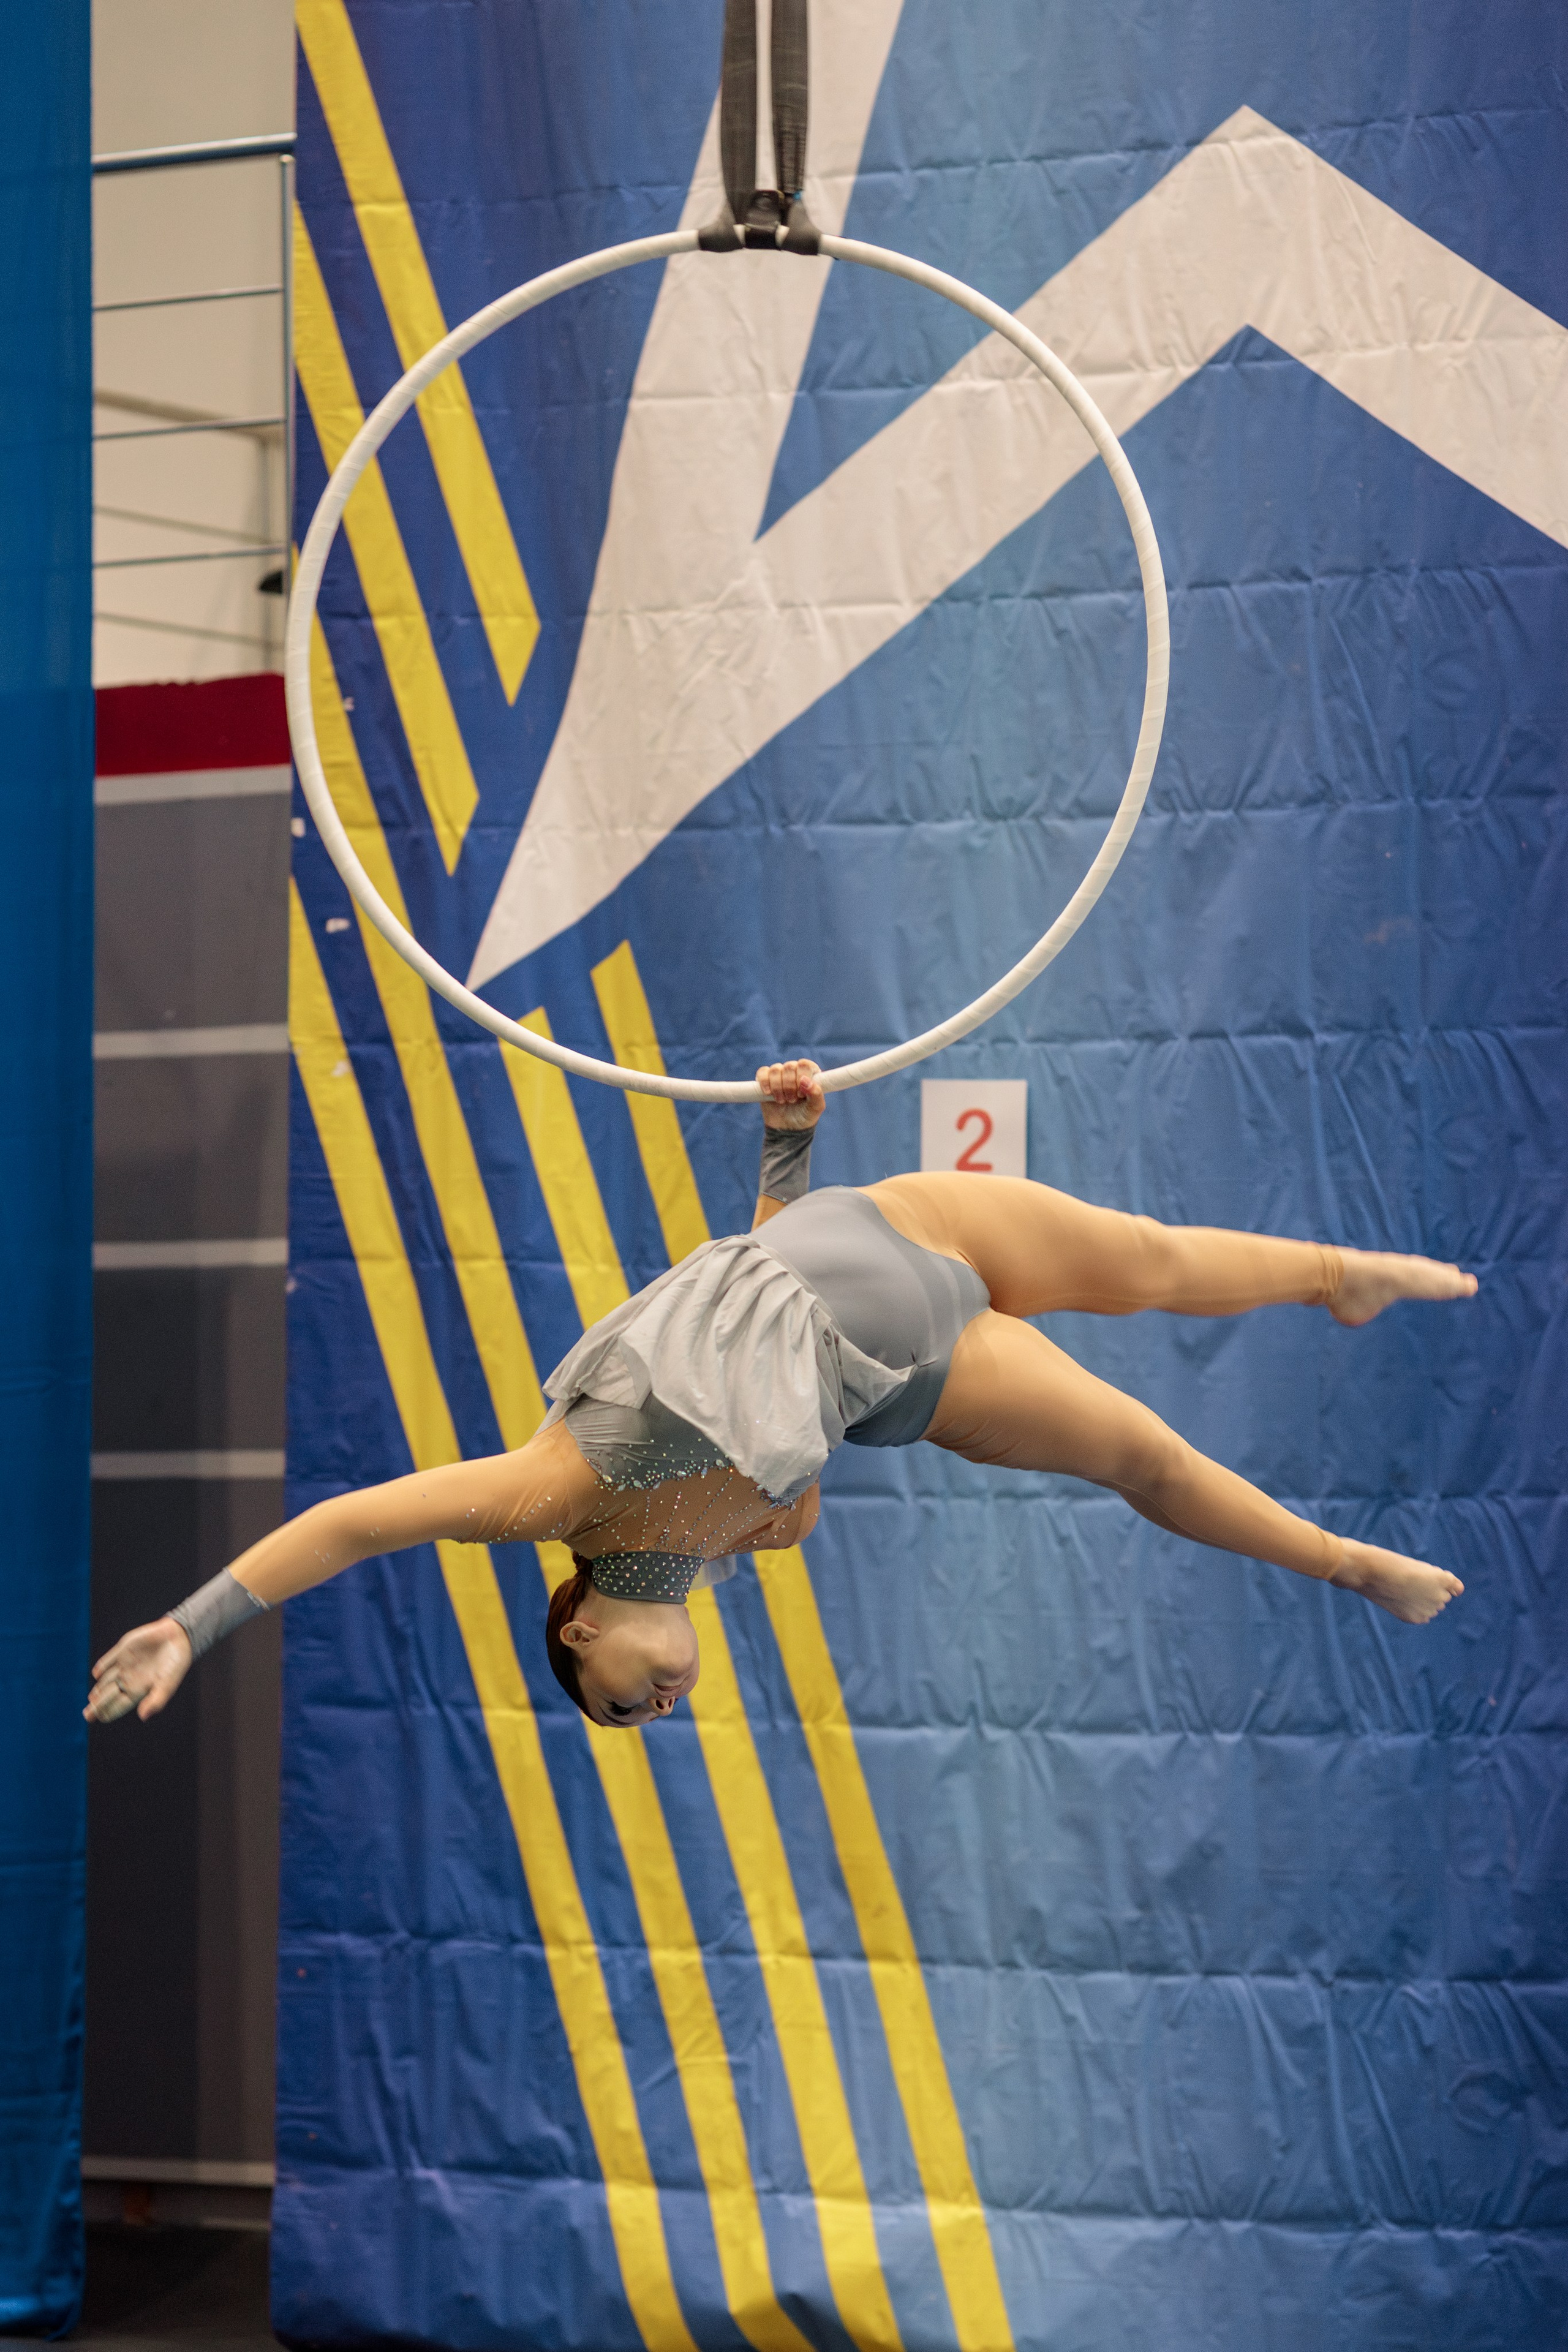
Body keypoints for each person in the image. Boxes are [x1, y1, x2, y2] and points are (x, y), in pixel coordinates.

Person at [86, 1061, 1472, 1735]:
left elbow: (344, 1525)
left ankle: (1336, 1275)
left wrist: (192, 1626)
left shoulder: (549, 1492)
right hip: (919, 1366)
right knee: (1148, 1463)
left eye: (623, 1706)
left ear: (572, 1624)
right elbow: (759, 1353)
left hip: (893, 1227)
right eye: (660, 1716)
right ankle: (1350, 1566)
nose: (661, 1705)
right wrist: (784, 1159)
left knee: (1150, 1262)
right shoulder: (766, 1538)